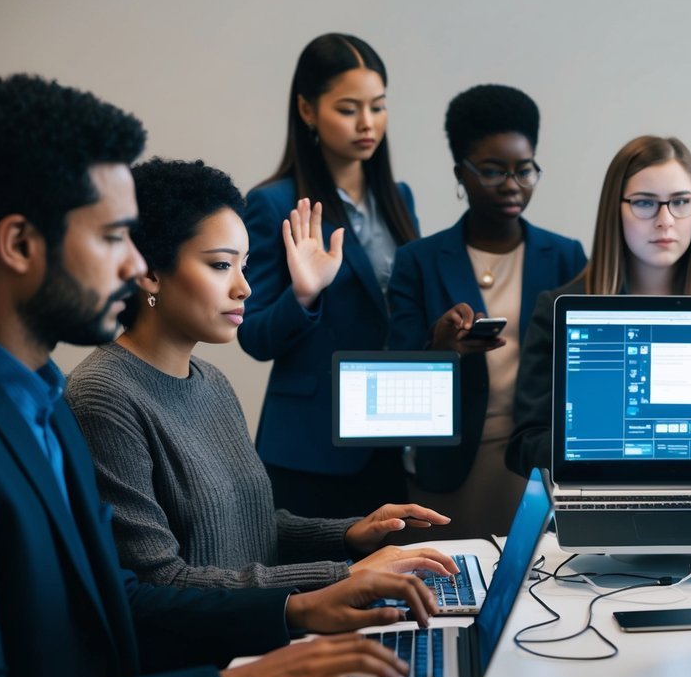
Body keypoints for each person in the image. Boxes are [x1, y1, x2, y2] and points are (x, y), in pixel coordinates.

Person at [0, 73, 442, 677]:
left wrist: (329, 564)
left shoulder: (50, 404)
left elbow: (132, 589)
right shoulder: (94, 396)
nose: (129, 267)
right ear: (19, 245)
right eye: (114, 238)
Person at [66, 157, 458, 590]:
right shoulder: (104, 395)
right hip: (219, 651)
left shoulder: (210, 381)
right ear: (150, 273)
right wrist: (344, 575)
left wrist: (350, 533)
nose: (244, 288)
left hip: (260, 632)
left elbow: (247, 527)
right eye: (221, 265)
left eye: (244, 266)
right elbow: (162, 580)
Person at [387, 84, 586, 537]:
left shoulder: (565, 257)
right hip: (452, 464)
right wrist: (442, 350)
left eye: (525, 170)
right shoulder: (418, 261)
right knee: (450, 592)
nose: (512, 186)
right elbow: (396, 381)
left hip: (538, 462)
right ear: (462, 173)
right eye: (494, 172)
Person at [239, 33, 420, 518]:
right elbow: (253, 336)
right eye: (348, 109)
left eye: (378, 107)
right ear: (307, 109)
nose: (368, 123)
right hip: (311, 451)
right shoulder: (273, 204)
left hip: (393, 436)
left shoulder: (400, 199)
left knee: (395, 588)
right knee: (321, 588)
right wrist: (302, 295)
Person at [506, 135, 691, 478]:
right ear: (614, 209)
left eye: (680, 202)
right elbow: (524, 445)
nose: (665, 220)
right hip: (601, 494)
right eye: (645, 203)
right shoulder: (561, 309)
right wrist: (608, 446)